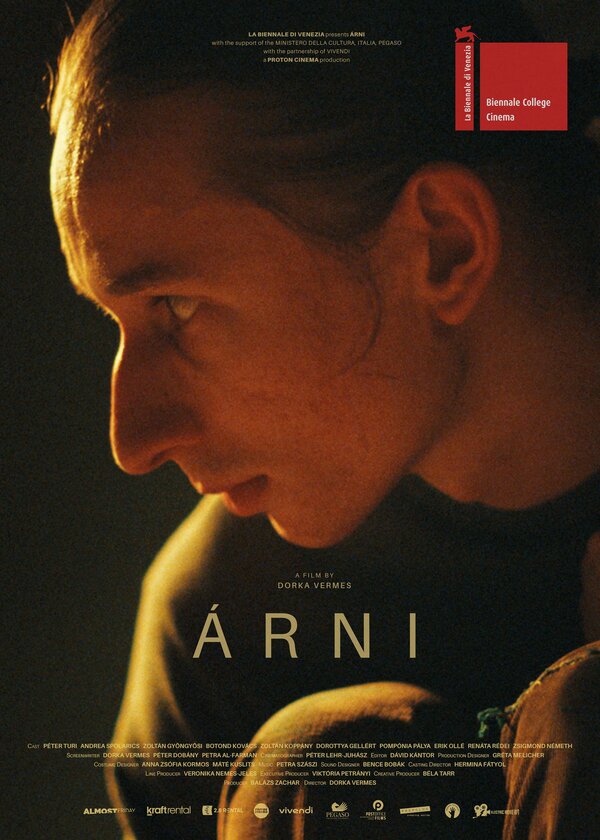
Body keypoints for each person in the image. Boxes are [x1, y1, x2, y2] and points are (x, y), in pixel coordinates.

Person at [48, 0, 599, 837]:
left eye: (179, 307)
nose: (132, 440)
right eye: (115, 324)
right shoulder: (220, 634)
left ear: (443, 246)